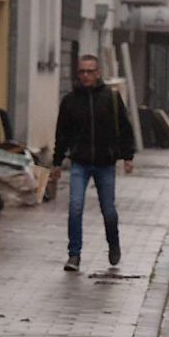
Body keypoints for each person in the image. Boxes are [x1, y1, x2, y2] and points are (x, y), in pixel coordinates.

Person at [51, 55, 136, 272]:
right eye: (82, 72)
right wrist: (57, 162)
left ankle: (113, 244)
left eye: (90, 71)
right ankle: (74, 255)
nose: (86, 76)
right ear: (78, 74)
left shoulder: (111, 98)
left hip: (105, 162)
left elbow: (125, 128)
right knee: (75, 207)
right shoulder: (70, 101)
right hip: (80, 162)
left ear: (98, 73)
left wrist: (128, 157)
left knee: (108, 210)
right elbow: (62, 134)